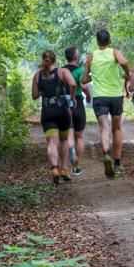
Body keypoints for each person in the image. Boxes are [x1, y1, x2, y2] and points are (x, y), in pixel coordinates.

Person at [82, 29, 130, 178]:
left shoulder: (91, 56)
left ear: (97, 42)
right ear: (109, 41)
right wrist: (127, 74)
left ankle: (106, 154)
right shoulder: (114, 52)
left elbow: (84, 80)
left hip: (99, 97)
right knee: (116, 129)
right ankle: (117, 163)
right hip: (115, 96)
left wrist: (95, 76)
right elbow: (124, 62)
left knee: (104, 127)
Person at [31, 50, 77, 185]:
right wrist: (72, 99)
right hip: (62, 111)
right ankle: (64, 169)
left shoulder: (37, 75)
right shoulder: (62, 72)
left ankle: (55, 169)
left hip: (47, 112)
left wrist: (43, 89)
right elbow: (73, 84)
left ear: (43, 60)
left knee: (51, 142)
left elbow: (34, 96)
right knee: (63, 141)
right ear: (55, 60)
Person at [63, 46, 91, 176]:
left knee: (69, 134)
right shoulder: (80, 70)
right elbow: (84, 86)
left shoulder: (61, 71)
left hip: (64, 105)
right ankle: (76, 165)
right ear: (76, 57)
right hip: (78, 103)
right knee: (79, 137)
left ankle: (71, 151)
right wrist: (89, 96)